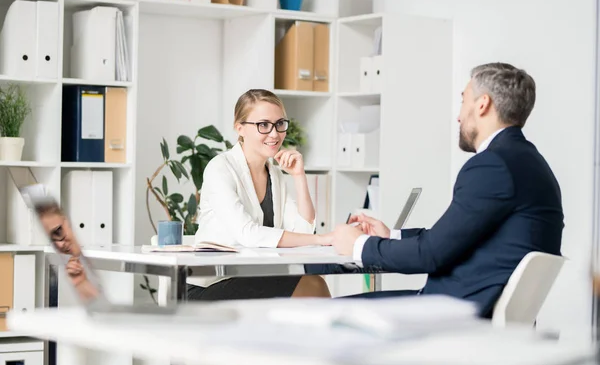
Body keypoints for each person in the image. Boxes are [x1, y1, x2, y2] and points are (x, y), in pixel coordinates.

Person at [331, 62, 564, 318]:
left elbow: (431, 254)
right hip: (475, 312)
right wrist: (391, 235)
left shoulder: (492, 165)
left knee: (320, 312)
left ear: (482, 104)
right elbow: (452, 240)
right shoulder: (530, 163)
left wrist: (359, 245)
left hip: (454, 316)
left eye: (464, 100)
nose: (459, 115)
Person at [188, 89, 332, 301]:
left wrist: (299, 176)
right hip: (210, 285)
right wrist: (323, 238)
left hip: (251, 277)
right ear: (240, 128)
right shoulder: (220, 168)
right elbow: (248, 233)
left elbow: (302, 231)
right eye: (263, 125)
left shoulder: (274, 173)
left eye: (279, 124)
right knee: (312, 284)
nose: (274, 134)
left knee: (312, 282)